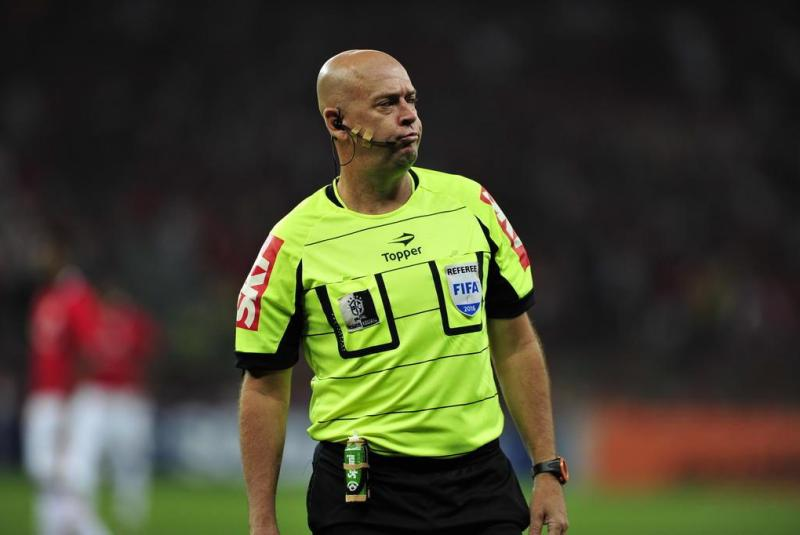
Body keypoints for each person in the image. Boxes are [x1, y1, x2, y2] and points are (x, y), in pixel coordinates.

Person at [237, 49, 568, 535]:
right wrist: (262, 519)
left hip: (479, 486)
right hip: (362, 496)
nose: (409, 115)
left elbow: (516, 343)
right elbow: (264, 386)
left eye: (411, 99)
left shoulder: (470, 206)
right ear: (337, 121)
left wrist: (546, 469)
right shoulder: (293, 245)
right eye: (387, 103)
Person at [62, 280, 159, 533]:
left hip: (126, 395)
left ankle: (130, 507)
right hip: (97, 394)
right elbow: (78, 356)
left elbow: (147, 358)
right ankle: (81, 505)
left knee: (130, 455)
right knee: (85, 454)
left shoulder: (135, 324)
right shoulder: (91, 322)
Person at [23, 237, 103, 535]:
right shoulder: (46, 295)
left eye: (45, 251)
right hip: (46, 394)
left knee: (68, 474)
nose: (39, 257)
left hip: (64, 398)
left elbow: (87, 350)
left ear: (61, 253)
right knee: (44, 471)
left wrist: (72, 402)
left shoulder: (75, 295)